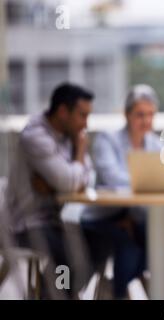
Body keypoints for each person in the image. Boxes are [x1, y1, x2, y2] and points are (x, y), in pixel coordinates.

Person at [6, 83, 94, 299]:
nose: (86, 123)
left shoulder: (69, 135)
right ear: (63, 111)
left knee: (98, 240)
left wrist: (64, 179)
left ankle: (56, 294)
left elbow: (88, 178)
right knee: (70, 254)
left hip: (53, 221)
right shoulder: (35, 137)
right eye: (82, 115)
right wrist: (80, 154)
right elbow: (69, 182)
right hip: (24, 225)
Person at [81, 84, 162, 299]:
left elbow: (161, 181)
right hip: (103, 216)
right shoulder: (108, 139)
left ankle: (113, 289)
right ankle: (117, 291)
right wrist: (146, 185)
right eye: (140, 115)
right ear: (127, 115)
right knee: (132, 245)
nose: (146, 121)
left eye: (151, 115)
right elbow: (112, 179)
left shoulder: (155, 144)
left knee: (155, 239)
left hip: (136, 216)